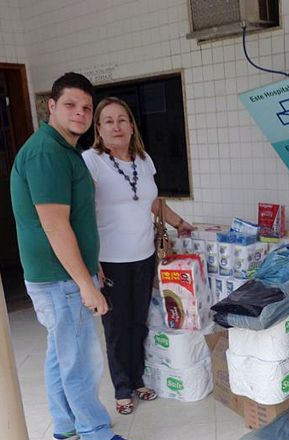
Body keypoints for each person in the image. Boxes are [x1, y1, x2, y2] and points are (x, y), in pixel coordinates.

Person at [10, 73, 142, 440]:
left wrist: (89, 265)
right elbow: (54, 224)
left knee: (60, 351)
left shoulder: (62, 149)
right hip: (60, 278)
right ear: (50, 106)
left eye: (86, 107)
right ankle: (94, 434)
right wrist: (85, 282)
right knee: (80, 359)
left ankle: (66, 425)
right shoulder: (46, 153)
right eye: (70, 105)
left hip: (61, 274)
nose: (80, 113)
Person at [82, 97, 192, 414]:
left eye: (122, 120)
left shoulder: (144, 161)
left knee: (138, 322)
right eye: (108, 121)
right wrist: (92, 261)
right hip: (109, 260)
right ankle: (121, 387)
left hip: (144, 255)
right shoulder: (90, 161)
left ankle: (138, 378)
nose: (116, 126)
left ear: (131, 125)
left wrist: (181, 224)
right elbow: (82, 213)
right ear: (99, 129)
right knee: (116, 326)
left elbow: (154, 203)